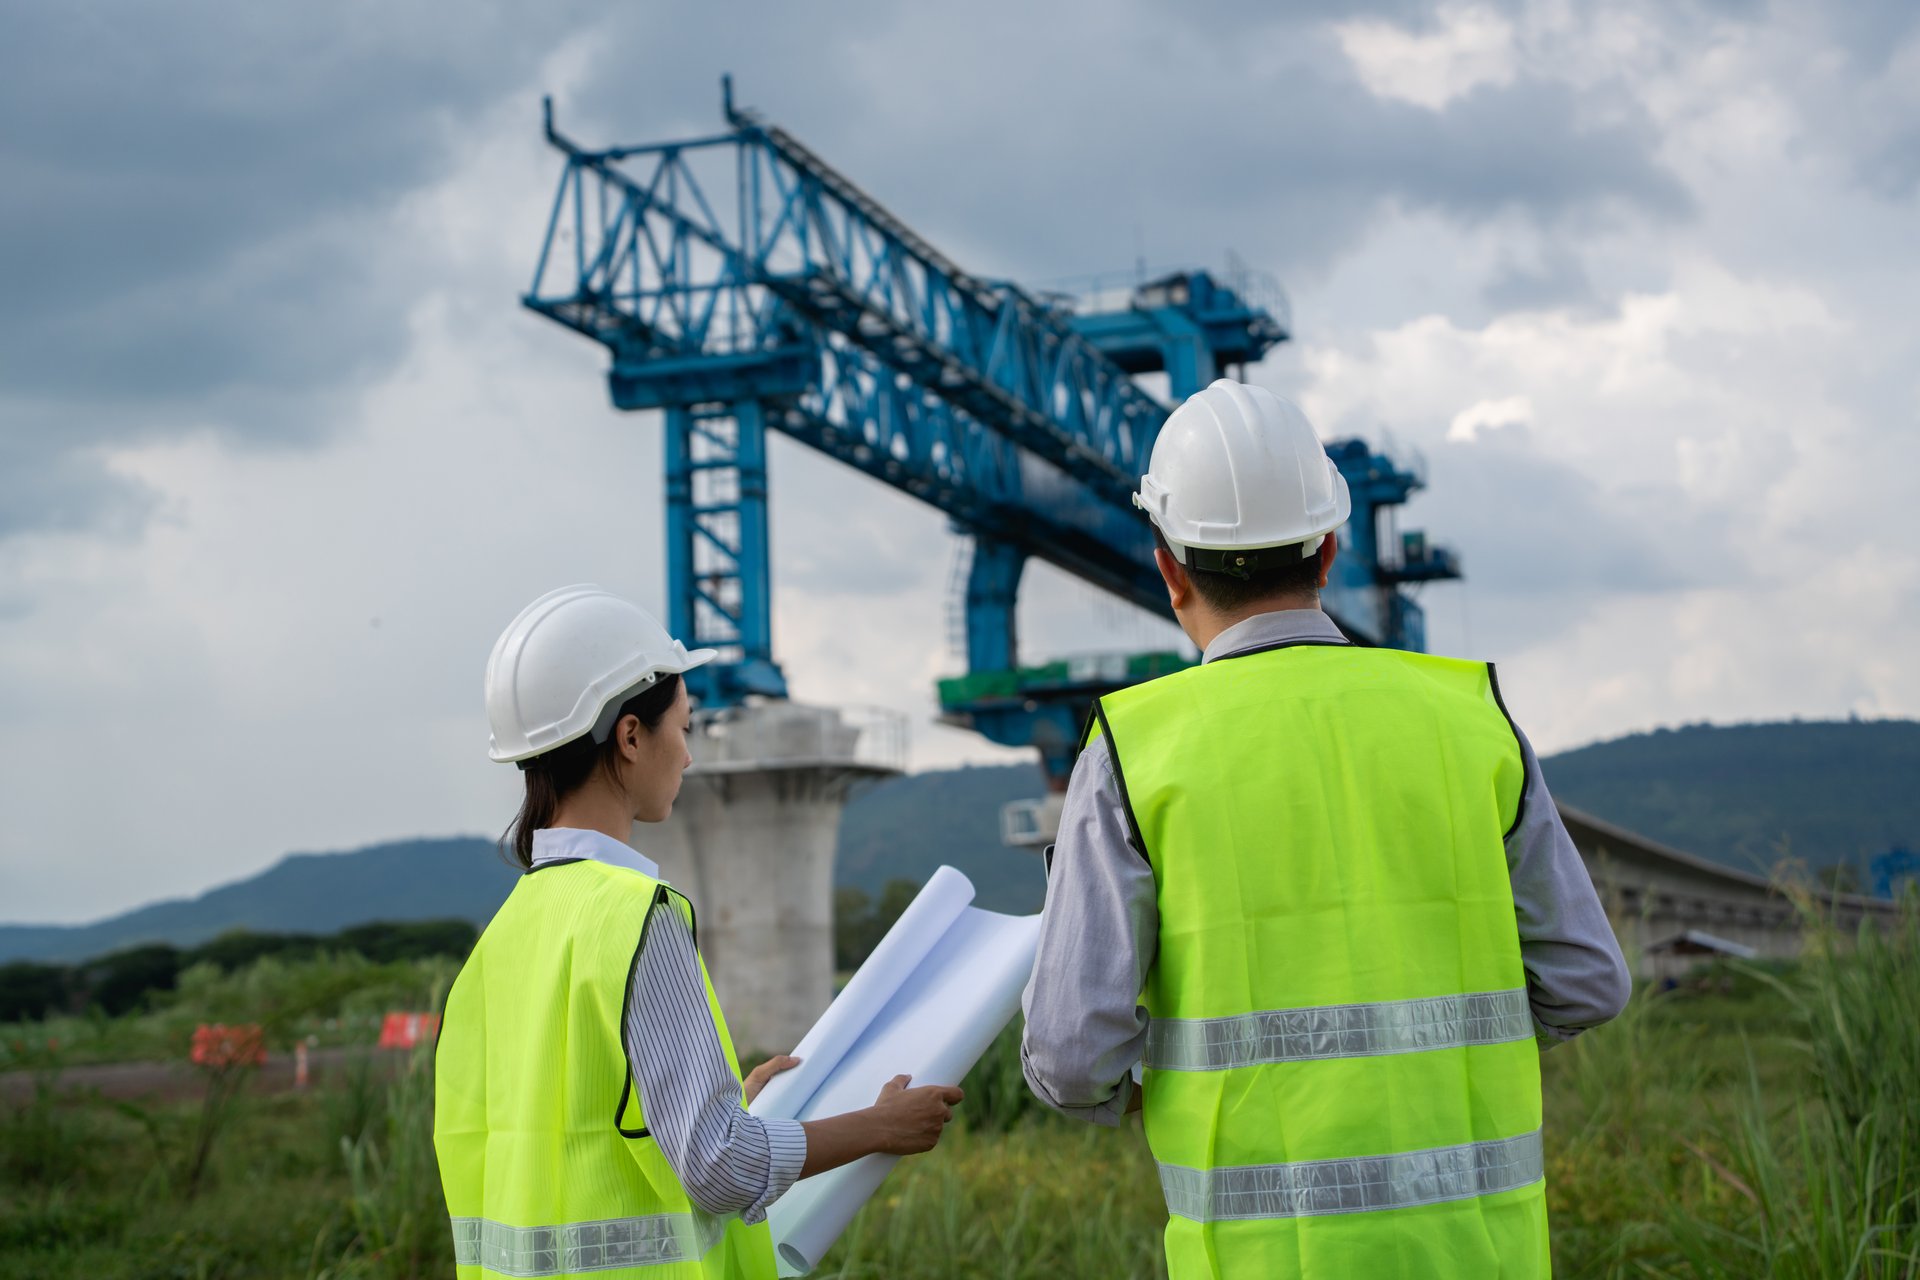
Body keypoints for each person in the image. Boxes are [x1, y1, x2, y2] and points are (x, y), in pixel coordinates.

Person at [1021, 381, 1632, 1278]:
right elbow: (1588, 983)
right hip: (1481, 1254)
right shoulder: (1469, 718)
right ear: (1332, 549)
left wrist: (1164, 1088)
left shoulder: (1134, 750)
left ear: (1169, 568)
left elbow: (1073, 1057)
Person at [434, 585, 963, 1279]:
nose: (687, 755)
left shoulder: (502, 936)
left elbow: (565, 1141)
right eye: (683, 728)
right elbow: (718, 1166)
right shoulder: (634, 916)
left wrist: (718, 1099)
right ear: (629, 736)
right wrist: (880, 1127)